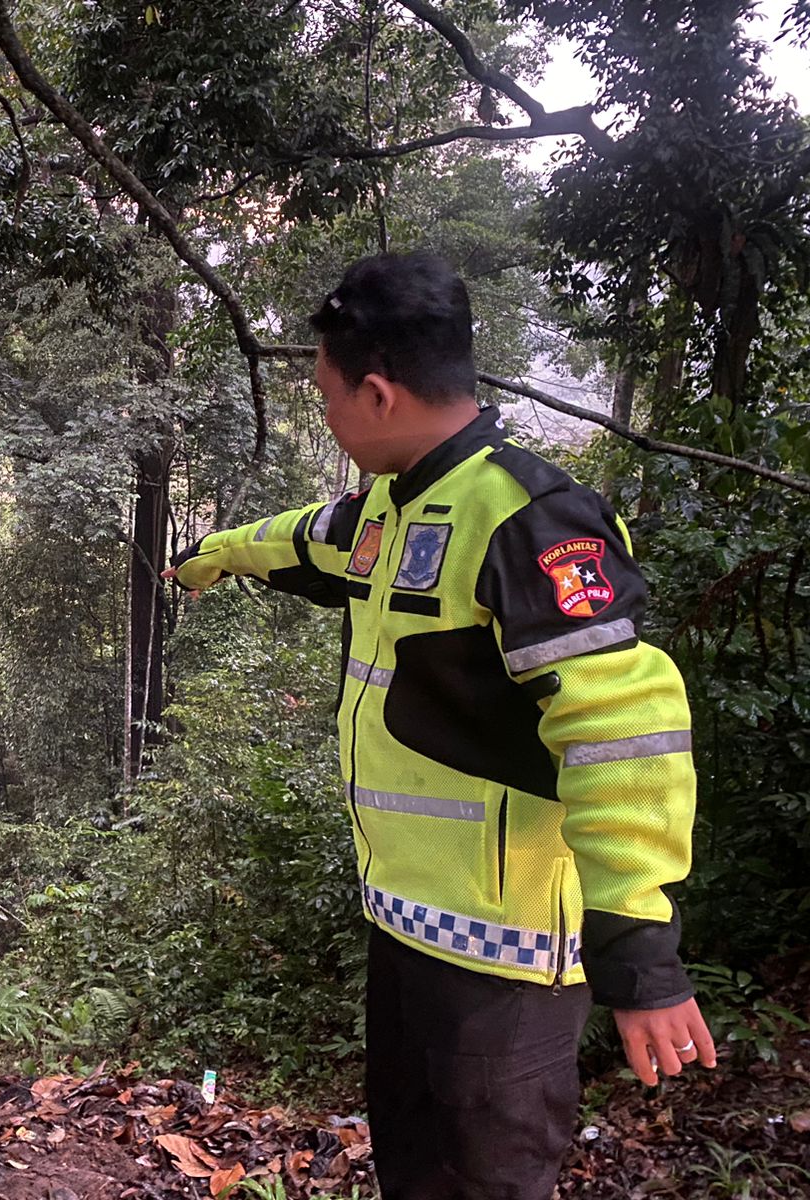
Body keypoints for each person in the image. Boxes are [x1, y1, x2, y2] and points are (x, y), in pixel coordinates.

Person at [164, 252, 716, 1200]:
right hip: (407, 932)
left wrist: (642, 959)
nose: (328, 417)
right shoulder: (393, 502)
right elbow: (303, 539)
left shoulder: (531, 522)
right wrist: (213, 556)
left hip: (507, 967)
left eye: (329, 396)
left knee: (488, 1181)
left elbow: (623, 732)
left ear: (377, 392)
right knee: (414, 1173)